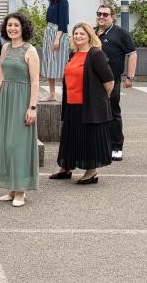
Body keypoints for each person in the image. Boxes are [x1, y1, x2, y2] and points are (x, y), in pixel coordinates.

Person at [50, 23, 115, 185]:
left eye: (82, 34)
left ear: (89, 36)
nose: (78, 36)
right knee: (71, 137)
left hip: (89, 105)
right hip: (72, 103)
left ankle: (91, 172)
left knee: (89, 138)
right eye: (76, 33)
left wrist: (99, 99)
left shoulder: (95, 54)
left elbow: (109, 81)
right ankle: (66, 167)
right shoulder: (73, 54)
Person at [0, 12, 40, 207]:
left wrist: (32, 107)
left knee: (18, 144)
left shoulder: (30, 50)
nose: (12, 28)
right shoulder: (6, 47)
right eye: (9, 25)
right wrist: (0, 85)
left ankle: (21, 191)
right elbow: (0, 67)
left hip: (23, 98)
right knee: (6, 143)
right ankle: (11, 188)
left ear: (23, 28)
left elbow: (35, 81)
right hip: (6, 98)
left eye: (16, 25)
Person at [93, 4, 137, 161]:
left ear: (112, 17)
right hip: (92, 82)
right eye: (99, 14)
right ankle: (99, 145)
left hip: (111, 81)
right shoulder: (92, 33)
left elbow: (132, 54)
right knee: (95, 114)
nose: (101, 17)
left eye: (105, 14)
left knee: (113, 113)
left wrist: (130, 77)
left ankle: (117, 146)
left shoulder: (121, 34)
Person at [41, 0, 69, 102]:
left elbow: (63, 21)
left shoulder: (63, 0)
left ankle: (67, 93)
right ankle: (52, 93)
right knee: (49, 64)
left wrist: (57, 38)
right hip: (49, 32)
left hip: (58, 34)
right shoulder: (52, 0)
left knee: (61, 64)